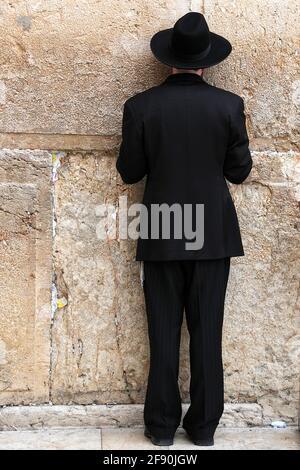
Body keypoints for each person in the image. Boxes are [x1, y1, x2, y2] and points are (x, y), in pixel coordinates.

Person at [116, 12, 252, 447]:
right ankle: (204, 429)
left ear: (168, 60)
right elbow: (239, 172)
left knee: (163, 333)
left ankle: (160, 429)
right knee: (207, 334)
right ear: (206, 62)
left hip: (161, 230)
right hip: (212, 235)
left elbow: (129, 171)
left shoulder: (141, 106)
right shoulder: (228, 105)